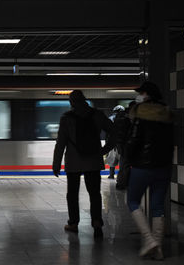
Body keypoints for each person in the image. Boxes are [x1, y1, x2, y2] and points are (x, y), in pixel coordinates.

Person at [52, 90, 115, 238]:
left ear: (71, 102)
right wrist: (105, 149)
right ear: (84, 100)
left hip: (73, 161)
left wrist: (56, 163)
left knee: (72, 194)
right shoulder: (97, 115)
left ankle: (73, 224)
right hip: (93, 160)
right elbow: (115, 132)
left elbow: (60, 143)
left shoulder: (66, 118)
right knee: (94, 194)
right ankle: (97, 222)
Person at [125, 82, 173, 260]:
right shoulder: (167, 113)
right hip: (164, 167)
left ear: (148, 94)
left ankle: (149, 240)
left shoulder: (140, 113)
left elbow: (134, 139)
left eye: (141, 93)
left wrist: (128, 158)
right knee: (157, 205)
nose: (139, 95)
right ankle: (158, 249)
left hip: (142, 166)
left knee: (132, 201)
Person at [112, 101, 136, 190]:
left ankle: (121, 182)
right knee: (126, 164)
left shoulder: (120, 117)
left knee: (123, 164)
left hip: (121, 145)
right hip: (127, 145)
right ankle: (123, 183)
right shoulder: (128, 117)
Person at [107, 105, 125, 179]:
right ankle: (121, 177)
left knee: (112, 159)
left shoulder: (110, 118)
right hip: (122, 143)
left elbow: (108, 132)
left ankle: (111, 174)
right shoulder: (125, 119)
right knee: (122, 161)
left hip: (112, 143)